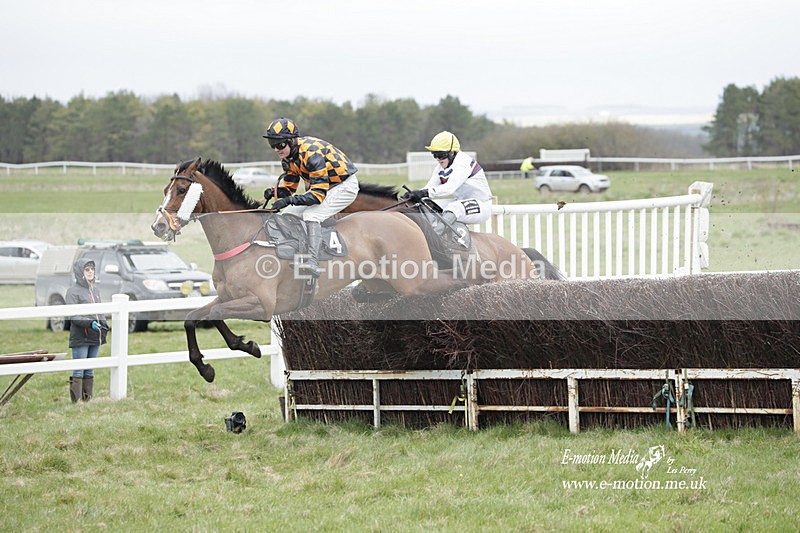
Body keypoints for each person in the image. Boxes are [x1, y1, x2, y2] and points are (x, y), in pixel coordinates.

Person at [262, 117, 359, 277]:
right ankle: (299, 252)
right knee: (288, 214)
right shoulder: (288, 158)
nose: (276, 149)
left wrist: (289, 200)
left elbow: (318, 195)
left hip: (344, 186)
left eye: (279, 144)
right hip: (325, 186)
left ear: (292, 141)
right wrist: (276, 193)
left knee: (311, 214)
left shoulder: (311, 154)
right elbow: (289, 188)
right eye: (272, 145)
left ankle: (313, 261)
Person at [403, 130, 493, 230]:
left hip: (481, 205)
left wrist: (424, 193)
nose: (437, 159)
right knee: (425, 203)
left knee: (454, 208)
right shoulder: (440, 167)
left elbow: (449, 188)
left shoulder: (463, 163)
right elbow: (430, 187)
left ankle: (437, 236)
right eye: (434, 155)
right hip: (460, 201)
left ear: (452, 153)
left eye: (440, 155)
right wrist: (414, 194)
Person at [65, 258, 108, 402]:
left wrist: (104, 324)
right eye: (87, 269)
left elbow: (100, 311)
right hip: (81, 336)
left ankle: (87, 401)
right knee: (79, 369)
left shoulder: (95, 290)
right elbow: (73, 316)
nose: (90, 272)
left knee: (90, 369)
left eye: (92, 269)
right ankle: (76, 403)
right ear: (80, 272)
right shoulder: (72, 291)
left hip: (95, 335)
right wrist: (90, 324)